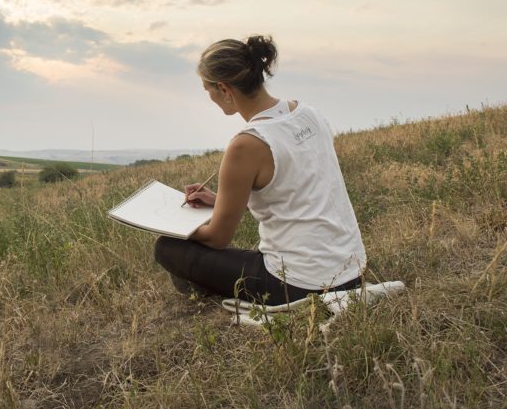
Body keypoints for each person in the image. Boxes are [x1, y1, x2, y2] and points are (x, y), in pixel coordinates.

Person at [154, 35, 366, 305]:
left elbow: (218, 238)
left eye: (207, 90)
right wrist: (220, 200)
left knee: (168, 248)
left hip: (300, 284)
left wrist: (170, 225)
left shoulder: (246, 145)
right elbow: (296, 192)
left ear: (224, 89)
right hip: (352, 271)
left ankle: (204, 296)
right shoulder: (308, 113)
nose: (209, 98)